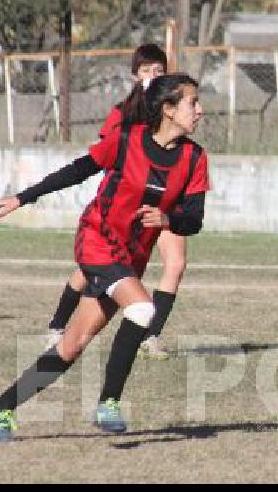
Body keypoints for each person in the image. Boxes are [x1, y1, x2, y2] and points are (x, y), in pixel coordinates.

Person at [0, 73, 210, 441]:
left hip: (130, 259)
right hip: (97, 241)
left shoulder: (194, 158)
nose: (199, 110)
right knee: (142, 310)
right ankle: (109, 403)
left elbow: (194, 219)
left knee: (72, 345)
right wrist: (22, 198)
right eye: (192, 103)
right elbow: (78, 171)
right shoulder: (125, 139)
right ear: (168, 110)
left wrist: (170, 219)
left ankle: (1, 406)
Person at [45, 43, 187, 360]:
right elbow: (102, 155)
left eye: (158, 70)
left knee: (176, 264)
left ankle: (151, 335)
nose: (152, 75)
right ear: (135, 75)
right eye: (146, 70)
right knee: (90, 270)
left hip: (163, 202)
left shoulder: (175, 109)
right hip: (125, 203)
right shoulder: (125, 112)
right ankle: (57, 325)